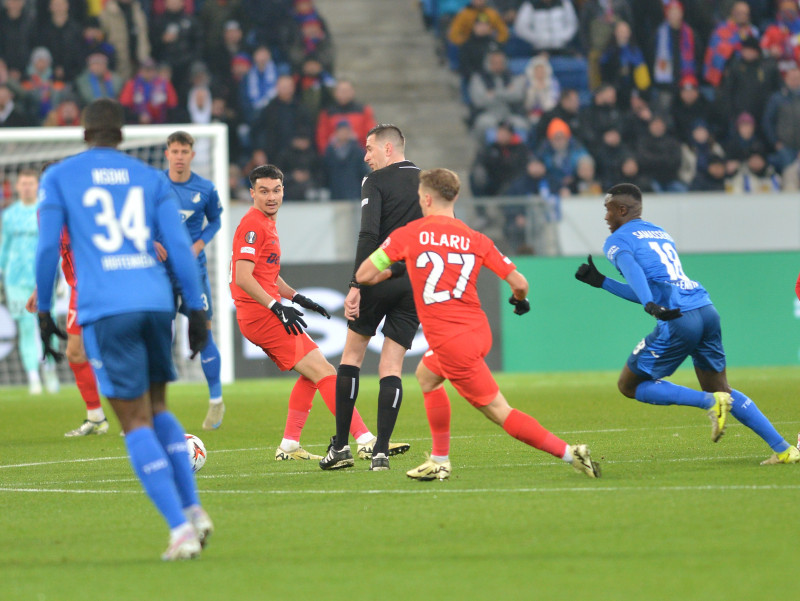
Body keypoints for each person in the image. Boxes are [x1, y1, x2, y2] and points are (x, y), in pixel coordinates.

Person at [35, 98, 214, 560]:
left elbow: (47, 249)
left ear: (83, 131)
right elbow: (178, 247)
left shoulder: (59, 176)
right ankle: (194, 509)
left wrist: (42, 311)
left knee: (132, 419)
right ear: (123, 132)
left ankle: (179, 529)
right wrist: (196, 310)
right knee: (157, 406)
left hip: (106, 307)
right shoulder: (150, 178)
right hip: (155, 303)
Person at [354, 168, 601, 480]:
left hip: (452, 343)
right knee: (426, 377)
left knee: (500, 412)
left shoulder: (408, 235)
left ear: (426, 198)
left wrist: (394, 270)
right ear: (455, 197)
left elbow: (364, 275)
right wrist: (518, 299)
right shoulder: (476, 239)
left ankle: (570, 453)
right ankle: (439, 459)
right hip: (477, 332)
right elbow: (520, 283)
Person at [574, 183, 799, 465]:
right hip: (705, 309)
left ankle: (709, 404)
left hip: (681, 319)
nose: (606, 217)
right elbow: (651, 286)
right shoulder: (660, 233)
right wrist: (603, 283)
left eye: (608, 210)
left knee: (628, 385)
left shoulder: (618, 240)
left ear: (621, 210)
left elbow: (634, 273)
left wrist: (649, 304)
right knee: (721, 389)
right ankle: (784, 449)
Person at [230, 164, 380, 461]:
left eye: (276, 190)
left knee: (314, 375)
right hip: (261, 315)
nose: (271, 197)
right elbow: (243, 277)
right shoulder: (252, 225)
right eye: (263, 191)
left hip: (265, 313)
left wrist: (297, 298)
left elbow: (266, 275)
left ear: (283, 191)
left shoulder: (266, 223)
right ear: (252, 193)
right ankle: (365, 439)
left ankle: (289, 444)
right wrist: (277, 307)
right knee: (326, 373)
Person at [319, 124, 416, 472]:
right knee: (392, 367)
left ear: (388, 149)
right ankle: (381, 453)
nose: (365, 156)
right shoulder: (428, 181)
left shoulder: (374, 182)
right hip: (414, 282)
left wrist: (356, 283)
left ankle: (342, 446)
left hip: (379, 275)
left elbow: (368, 233)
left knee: (352, 358)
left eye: (369, 149)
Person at [155, 131, 225, 430]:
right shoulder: (154, 185)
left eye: (185, 151)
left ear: (192, 155)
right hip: (159, 271)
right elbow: (139, 219)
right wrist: (149, 241)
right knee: (158, 336)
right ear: (167, 153)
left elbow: (217, 220)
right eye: (175, 150)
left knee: (203, 330)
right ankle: (153, 407)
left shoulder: (205, 188)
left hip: (193, 272)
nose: (180, 155)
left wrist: (200, 243)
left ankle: (215, 401)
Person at [0, 169, 59, 395]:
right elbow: (4, 248)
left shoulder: (46, 212)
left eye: (30, 183)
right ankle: (33, 376)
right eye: (22, 183)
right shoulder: (9, 215)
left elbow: (55, 245)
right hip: (15, 279)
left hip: (42, 277)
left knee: (47, 324)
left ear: (37, 186)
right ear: (17, 187)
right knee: (25, 327)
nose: (26, 187)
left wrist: (60, 275)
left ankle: (50, 369)